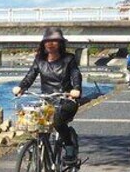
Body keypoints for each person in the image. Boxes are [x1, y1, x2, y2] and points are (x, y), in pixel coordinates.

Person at [12, 27, 83, 162]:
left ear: (60, 43)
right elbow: (30, 76)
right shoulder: (39, 59)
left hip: (66, 100)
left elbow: (75, 75)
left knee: (57, 121)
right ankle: (42, 156)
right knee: (34, 121)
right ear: (43, 44)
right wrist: (21, 87)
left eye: (54, 41)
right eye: (47, 41)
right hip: (47, 100)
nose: (50, 44)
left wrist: (76, 89)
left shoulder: (69, 58)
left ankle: (69, 146)